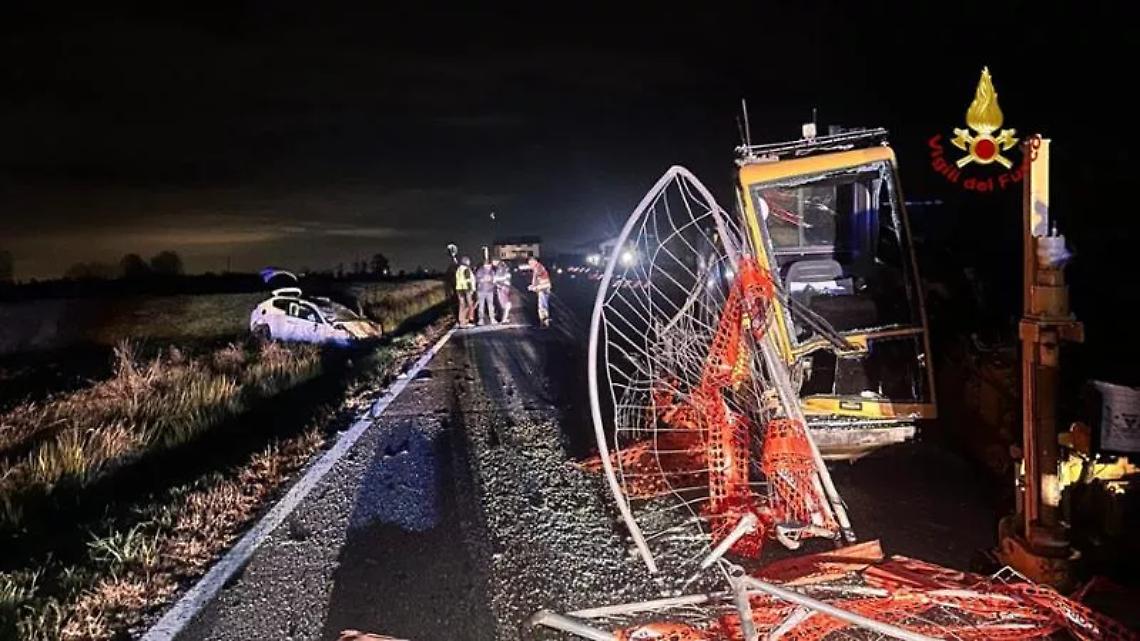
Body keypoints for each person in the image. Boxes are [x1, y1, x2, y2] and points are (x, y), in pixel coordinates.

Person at [526, 256, 552, 328]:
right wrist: (533, 286)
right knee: (543, 305)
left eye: (530, 263)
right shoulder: (537, 267)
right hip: (543, 288)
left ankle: (544, 323)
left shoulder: (538, 268)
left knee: (542, 306)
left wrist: (534, 287)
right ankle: (544, 322)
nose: (530, 265)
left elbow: (538, 279)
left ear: (534, 262)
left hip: (543, 288)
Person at [454, 256, 475, 327]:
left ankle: (461, 322)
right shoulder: (466, 269)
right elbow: (468, 280)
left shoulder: (458, 270)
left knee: (462, 305)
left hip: (459, 289)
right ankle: (469, 320)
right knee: (470, 305)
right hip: (466, 289)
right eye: (468, 261)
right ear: (466, 262)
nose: (469, 263)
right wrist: (471, 290)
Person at [475, 258, 496, 326]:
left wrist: (491, 279)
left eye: (489, 265)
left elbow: (494, 279)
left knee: (491, 305)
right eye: (487, 265)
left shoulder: (492, 271)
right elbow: (477, 279)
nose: (488, 267)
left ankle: (492, 318)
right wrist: (483, 279)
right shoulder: (480, 271)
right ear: (484, 265)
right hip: (481, 291)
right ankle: (481, 320)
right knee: (481, 305)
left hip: (490, 291)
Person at [492, 258, 512, 323]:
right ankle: (504, 318)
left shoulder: (501, 268)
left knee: (504, 304)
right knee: (505, 303)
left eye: (493, 261)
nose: (492, 263)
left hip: (502, 287)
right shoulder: (502, 267)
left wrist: (495, 280)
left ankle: (504, 318)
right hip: (504, 287)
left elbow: (498, 278)